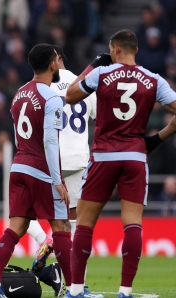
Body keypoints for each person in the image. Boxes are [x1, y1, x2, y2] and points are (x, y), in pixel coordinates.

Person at [65, 29, 176, 298]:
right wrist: (157, 139)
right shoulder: (154, 79)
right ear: (136, 50)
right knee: (133, 223)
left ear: (114, 50)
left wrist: (91, 65)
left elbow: (69, 95)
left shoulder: (101, 74)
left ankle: (76, 290)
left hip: (103, 155)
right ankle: (125, 292)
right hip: (135, 156)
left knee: (85, 222)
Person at [0, 44, 72, 298]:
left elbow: (17, 136)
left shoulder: (19, 93)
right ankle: (76, 291)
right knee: (62, 227)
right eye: (57, 59)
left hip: (19, 166)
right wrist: (58, 181)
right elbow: (50, 142)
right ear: (53, 65)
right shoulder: (52, 97)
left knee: (15, 229)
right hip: (40, 170)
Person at [26, 46, 104, 298]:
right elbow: (97, 116)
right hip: (78, 160)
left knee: (23, 215)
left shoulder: (39, 85)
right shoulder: (81, 84)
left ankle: (46, 241)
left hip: (48, 161)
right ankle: (76, 285)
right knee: (77, 226)